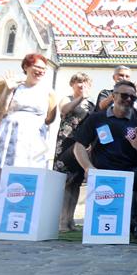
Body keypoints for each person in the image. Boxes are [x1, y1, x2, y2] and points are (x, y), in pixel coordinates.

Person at [73, 80, 137, 243]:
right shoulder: (96, 118)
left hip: (129, 173)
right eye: (124, 95)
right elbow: (79, 146)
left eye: (132, 98)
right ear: (113, 96)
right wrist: (88, 168)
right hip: (103, 173)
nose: (128, 100)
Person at [0, 53, 57, 169]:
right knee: (8, 171)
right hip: (12, 134)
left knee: (32, 171)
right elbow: (1, 108)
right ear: (26, 67)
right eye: (37, 67)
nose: (40, 71)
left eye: (43, 68)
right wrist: (7, 90)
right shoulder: (15, 87)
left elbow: (50, 118)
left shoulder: (48, 92)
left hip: (34, 137)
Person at [53, 72, 95, 231]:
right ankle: (62, 221)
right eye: (78, 82)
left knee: (76, 183)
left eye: (85, 82)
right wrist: (80, 98)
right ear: (72, 84)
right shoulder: (68, 99)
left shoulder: (91, 104)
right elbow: (64, 110)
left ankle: (70, 220)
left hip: (82, 147)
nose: (81, 85)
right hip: (66, 144)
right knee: (66, 182)